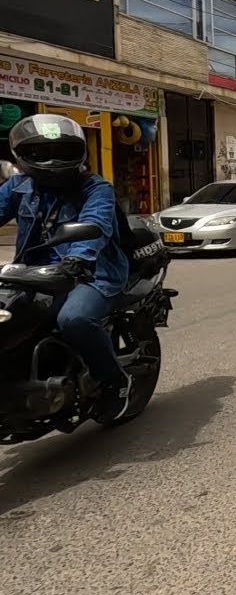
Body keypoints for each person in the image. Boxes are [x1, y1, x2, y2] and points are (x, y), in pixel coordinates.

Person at [0, 115, 132, 419]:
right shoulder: (19, 186)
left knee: (74, 319)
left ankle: (114, 381)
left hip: (91, 271)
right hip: (32, 272)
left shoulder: (96, 188)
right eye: (41, 153)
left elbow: (95, 224)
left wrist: (76, 261)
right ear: (23, 156)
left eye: (63, 151)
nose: (52, 160)